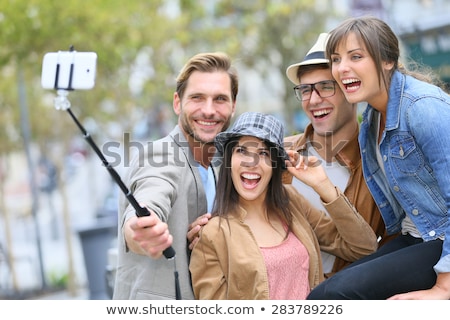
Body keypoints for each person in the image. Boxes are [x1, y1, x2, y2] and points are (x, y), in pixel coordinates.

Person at [307, 16, 450, 300]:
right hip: (414, 236)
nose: (342, 68)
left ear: (387, 61)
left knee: (335, 296)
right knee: (321, 295)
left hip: (441, 239)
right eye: (336, 59)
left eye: (356, 56)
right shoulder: (372, 117)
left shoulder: (423, 108)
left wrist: (443, 288)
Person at [189, 111, 378, 299]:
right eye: (241, 150)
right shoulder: (213, 234)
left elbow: (364, 248)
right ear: (229, 160)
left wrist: (323, 186)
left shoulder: (290, 202)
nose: (251, 163)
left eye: (263, 153)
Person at [113, 52, 238, 300]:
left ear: (233, 106)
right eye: (197, 98)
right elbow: (151, 193)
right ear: (177, 103)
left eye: (220, 99)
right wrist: (141, 229)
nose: (209, 110)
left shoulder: (220, 163)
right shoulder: (160, 155)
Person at [284, 33, 396, 276]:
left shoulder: (380, 164)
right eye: (305, 89)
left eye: (326, 86)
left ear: (350, 88)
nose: (314, 100)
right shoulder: (279, 153)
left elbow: (383, 249)